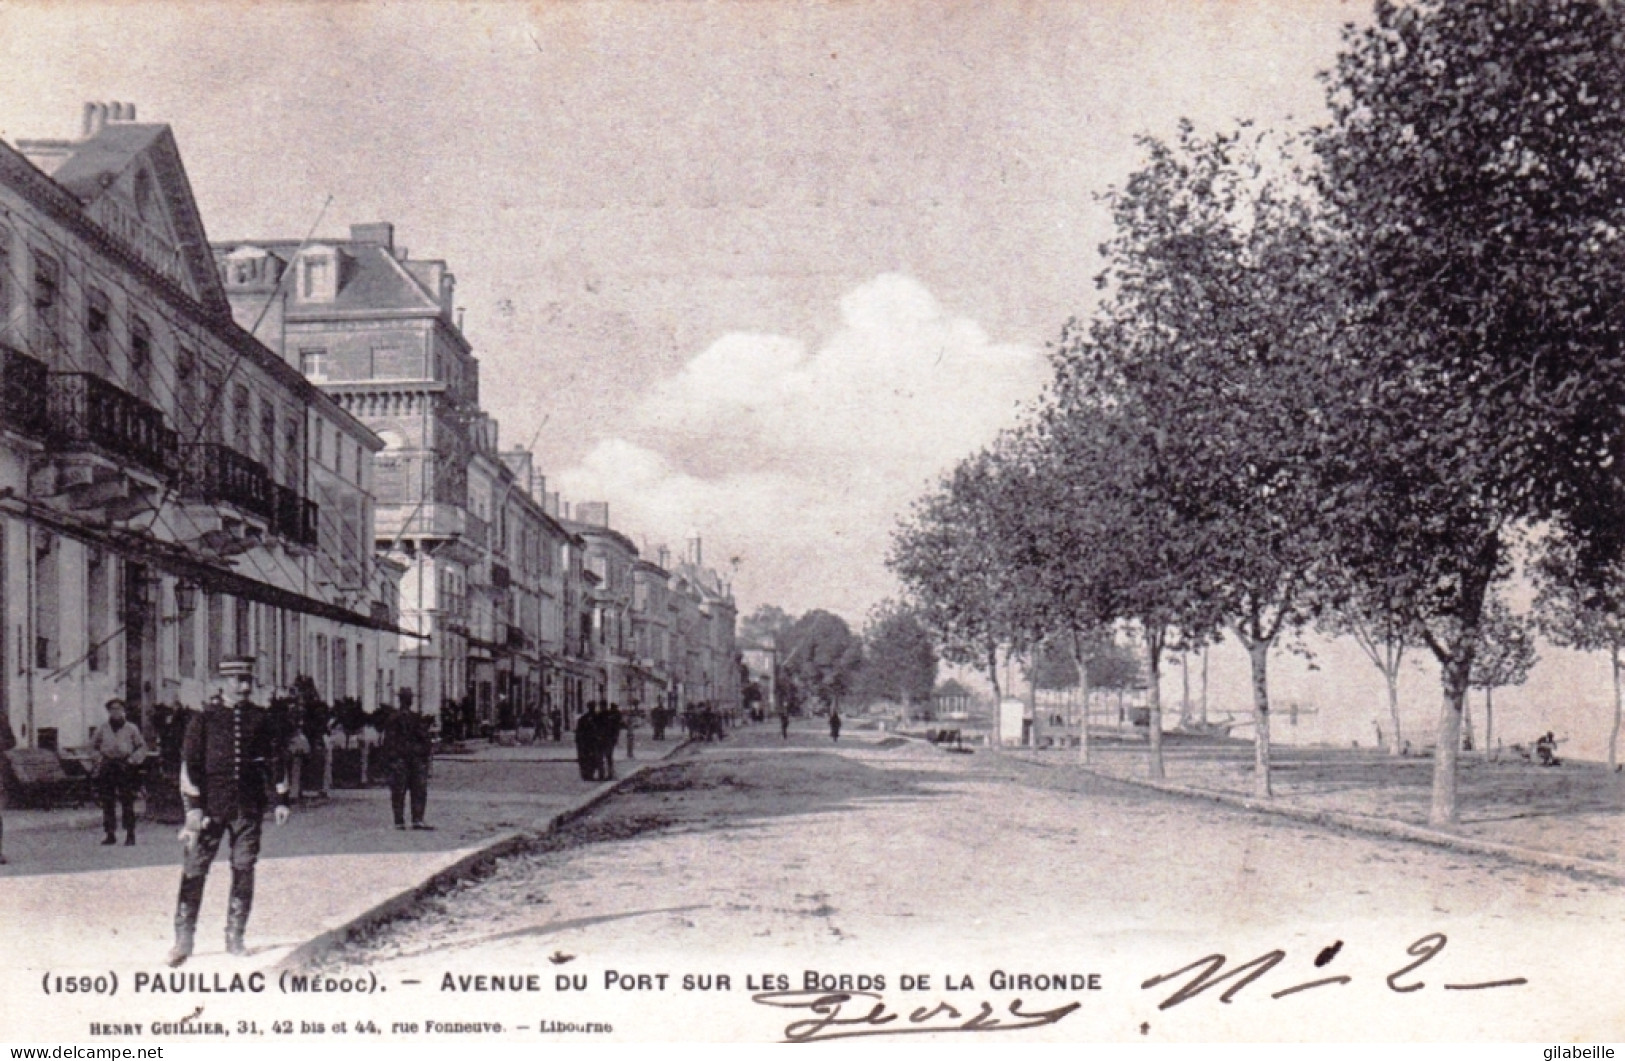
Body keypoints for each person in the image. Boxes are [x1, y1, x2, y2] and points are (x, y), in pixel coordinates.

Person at [168, 658, 291, 966]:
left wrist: (280, 799)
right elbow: (190, 766)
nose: (244, 686)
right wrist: (193, 808)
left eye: (247, 679)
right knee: (195, 869)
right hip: (210, 809)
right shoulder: (204, 719)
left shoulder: (261, 719)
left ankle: (235, 936)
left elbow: (274, 760)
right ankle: (183, 940)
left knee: (244, 867)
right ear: (221, 683)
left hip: (247, 808)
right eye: (237, 680)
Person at [89, 698, 148, 846]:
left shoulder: (131, 728)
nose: (116, 712)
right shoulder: (102, 728)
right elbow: (92, 747)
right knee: (107, 801)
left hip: (125, 766)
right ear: (108, 711)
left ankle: (130, 834)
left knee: (127, 800)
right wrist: (99, 759)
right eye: (112, 709)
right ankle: (110, 833)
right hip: (108, 765)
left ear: (124, 711)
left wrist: (133, 760)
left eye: (119, 709)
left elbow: (141, 747)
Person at [381, 688, 434, 830]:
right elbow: (424, 739)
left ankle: (406, 820)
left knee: (407, 790)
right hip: (405, 759)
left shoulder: (403, 718)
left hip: (407, 759)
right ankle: (410, 819)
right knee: (409, 790)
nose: (409, 700)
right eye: (408, 698)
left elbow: (423, 739)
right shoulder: (401, 719)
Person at [575, 703, 601, 781]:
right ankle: (586, 774)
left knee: (592, 759)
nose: (592, 709)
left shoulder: (597, 718)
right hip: (587, 742)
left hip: (592, 742)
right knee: (587, 759)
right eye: (591, 707)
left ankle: (589, 774)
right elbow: (579, 731)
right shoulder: (584, 718)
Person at [601, 703, 624, 779]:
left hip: (607, 739)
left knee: (607, 756)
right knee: (607, 756)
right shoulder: (608, 715)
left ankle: (607, 773)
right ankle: (607, 773)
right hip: (607, 738)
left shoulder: (610, 715)